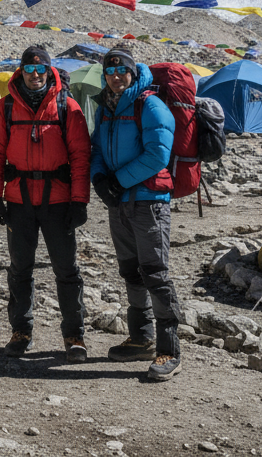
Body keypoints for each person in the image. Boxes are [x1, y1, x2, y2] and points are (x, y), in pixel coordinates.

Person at [0, 46, 91, 361]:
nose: (34, 75)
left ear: (48, 71)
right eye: (29, 70)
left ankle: (75, 337)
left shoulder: (66, 107)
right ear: (20, 72)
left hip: (58, 201)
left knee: (67, 270)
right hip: (18, 200)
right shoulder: (5, 108)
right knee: (20, 270)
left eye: (40, 70)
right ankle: (21, 332)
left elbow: (81, 157)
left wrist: (79, 201)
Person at [90, 45, 183, 382]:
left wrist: (117, 180)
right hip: (120, 201)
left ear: (132, 72)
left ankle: (169, 349)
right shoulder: (106, 109)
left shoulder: (150, 105)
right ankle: (141, 337)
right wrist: (100, 178)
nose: (115, 77)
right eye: (110, 72)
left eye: (121, 71)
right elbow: (97, 147)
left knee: (155, 272)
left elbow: (158, 153)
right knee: (131, 270)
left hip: (149, 201)